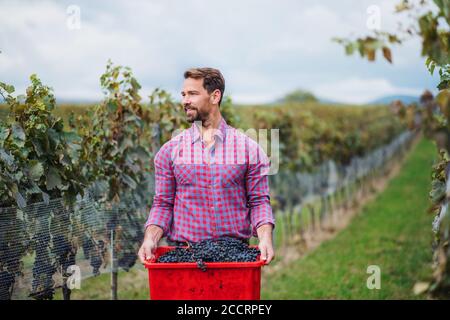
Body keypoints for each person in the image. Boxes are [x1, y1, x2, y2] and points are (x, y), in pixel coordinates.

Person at [138, 67, 275, 264]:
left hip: (234, 256)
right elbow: (163, 204)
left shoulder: (249, 150)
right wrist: (150, 239)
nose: (185, 101)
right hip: (184, 257)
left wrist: (265, 238)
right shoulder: (169, 152)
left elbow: (259, 202)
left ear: (215, 96)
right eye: (183, 94)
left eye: (193, 94)